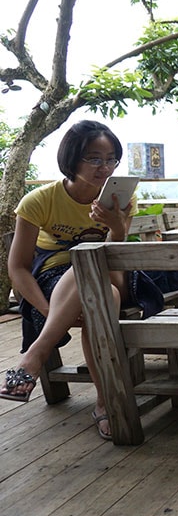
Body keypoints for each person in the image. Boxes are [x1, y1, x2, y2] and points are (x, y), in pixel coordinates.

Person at [1, 120, 136, 440]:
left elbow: (116, 263)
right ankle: (105, 403)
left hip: (108, 270)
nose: (104, 167)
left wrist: (117, 228)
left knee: (89, 264)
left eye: (111, 159)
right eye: (94, 158)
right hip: (52, 279)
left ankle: (34, 356)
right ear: (71, 158)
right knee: (101, 292)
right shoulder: (39, 201)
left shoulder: (120, 200)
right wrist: (50, 311)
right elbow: (18, 267)